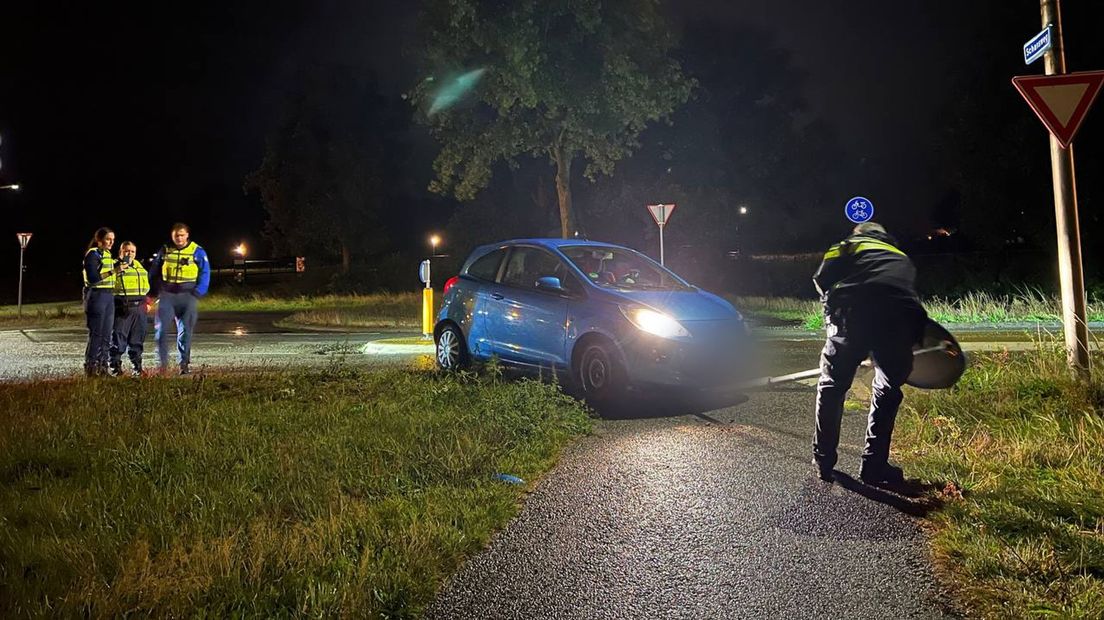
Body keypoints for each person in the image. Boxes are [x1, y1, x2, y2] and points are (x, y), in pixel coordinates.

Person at [811, 221, 927, 486]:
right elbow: (908, 298)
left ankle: (824, 461)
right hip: (896, 326)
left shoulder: (848, 246)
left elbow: (821, 278)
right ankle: (874, 467)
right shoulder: (901, 257)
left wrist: (832, 315)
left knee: (832, 387)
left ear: (858, 233)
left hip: (851, 319)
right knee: (887, 391)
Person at [146, 223, 210, 375]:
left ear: (187, 235)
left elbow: (205, 272)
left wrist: (199, 291)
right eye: (176, 235)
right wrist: (154, 290)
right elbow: (154, 271)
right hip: (167, 295)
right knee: (161, 331)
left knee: (185, 332)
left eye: (182, 235)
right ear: (172, 236)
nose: (179, 238)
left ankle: (184, 364)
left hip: (188, 295)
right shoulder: (165, 250)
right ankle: (162, 365)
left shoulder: (197, 251)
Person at [83, 227, 129, 376]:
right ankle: (91, 368)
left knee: (107, 334)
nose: (111, 242)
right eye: (108, 239)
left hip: (109, 296)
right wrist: (114, 271)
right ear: (99, 240)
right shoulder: (93, 254)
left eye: (113, 240)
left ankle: (103, 368)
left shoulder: (108, 254)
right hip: (96, 295)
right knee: (96, 333)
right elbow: (93, 278)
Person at [109, 241, 150, 377]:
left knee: (137, 341)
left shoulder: (139, 266)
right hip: (123, 307)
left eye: (132, 251)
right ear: (120, 252)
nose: (130, 254)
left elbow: (145, 287)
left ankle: (137, 368)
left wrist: (147, 302)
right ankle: (115, 368)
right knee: (118, 339)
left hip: (140, 308)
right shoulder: (114, 265)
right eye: (127, 251)